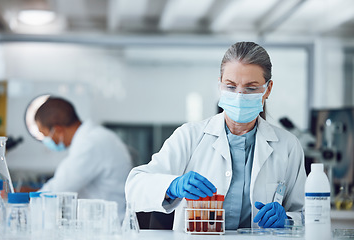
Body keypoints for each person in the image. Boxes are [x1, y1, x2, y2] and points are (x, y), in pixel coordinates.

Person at [125, 42, 306, 231]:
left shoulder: (288, 146)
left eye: (251, 88)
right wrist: (172, 185)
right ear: (220, 85)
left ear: (267, 90)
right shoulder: (190, 136)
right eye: (230, 86)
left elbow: (306, 213)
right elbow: (134, 188)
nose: (239, 95)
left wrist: (287, 219)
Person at [35, 97, 132, 221]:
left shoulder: (90, 144)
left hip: (106, 225)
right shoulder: (95, 136)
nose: (47, 141)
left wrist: (27, 197)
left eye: (45, 135)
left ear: (58, 130)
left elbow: (58, 190)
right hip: (104, 221)